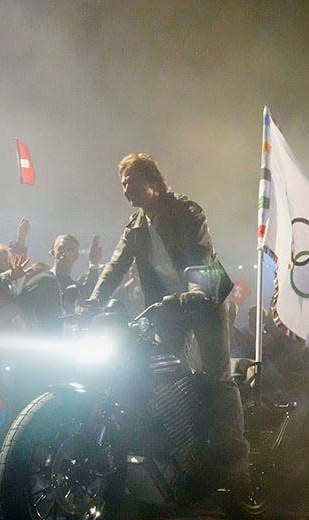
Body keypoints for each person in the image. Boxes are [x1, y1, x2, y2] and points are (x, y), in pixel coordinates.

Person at [87, 152, 251, 491]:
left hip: (204, 299)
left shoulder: (188, 211)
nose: (125, 190)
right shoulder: (135, 227)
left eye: (131, 182)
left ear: (155, 184)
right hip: (167, 306)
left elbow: (200, 252)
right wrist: (92, 302)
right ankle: (184, 452)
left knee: (217, 377)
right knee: (163, 372)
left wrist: (195, 290)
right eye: (122, 185)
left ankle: (236, 464)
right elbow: (115, 266)